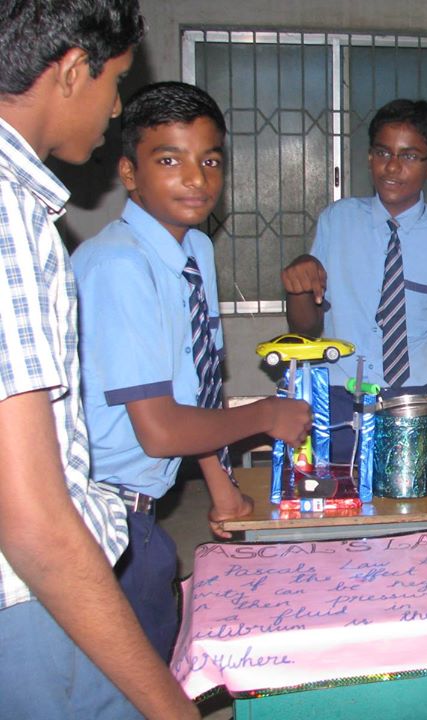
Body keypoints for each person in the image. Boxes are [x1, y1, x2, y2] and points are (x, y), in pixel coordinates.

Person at [0, 3, 201, 718]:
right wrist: (170, 706)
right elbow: (35, 523)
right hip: (32, 588)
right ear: (73, 71)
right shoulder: (10, 220)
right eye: (116, 82)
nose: (115, 106)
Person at [72, 81, 312, 661]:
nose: (197, 179)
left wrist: (222, 486)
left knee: (168, 641)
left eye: (209, 160)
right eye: (169, 160)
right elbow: (159, 429)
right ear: (129, 173)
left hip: (145, 508)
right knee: (130, 682)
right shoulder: (118, 267)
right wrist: (266, 415)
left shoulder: (195, 250)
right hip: (97, 516)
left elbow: (195, 384)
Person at [282, 98, 427, 462]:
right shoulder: (337, 221)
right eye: (382, 152)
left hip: (417, 399)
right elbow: (306, 328)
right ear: (369, 157)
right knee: (342, 501)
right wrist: (296, 284)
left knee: (416, 507)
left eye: (409, 156)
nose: (392, 166)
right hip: (341, 397)